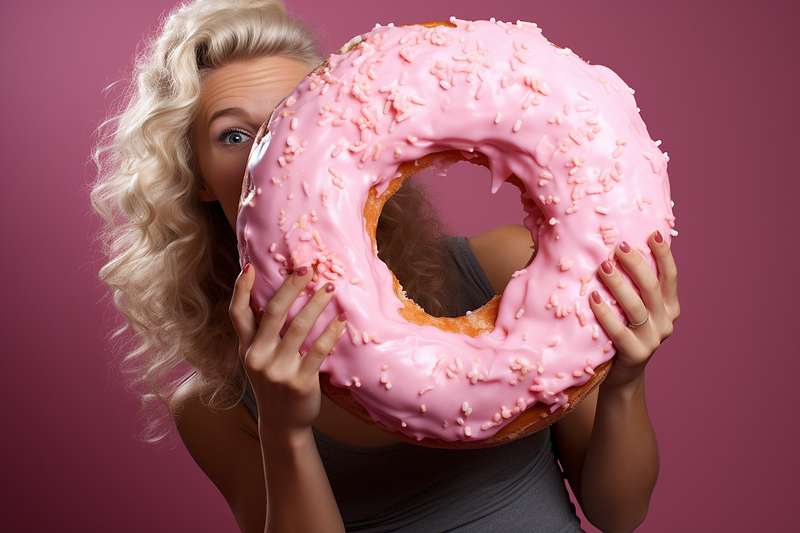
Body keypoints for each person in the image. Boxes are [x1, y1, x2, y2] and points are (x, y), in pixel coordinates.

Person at [92, 1, 680, 532]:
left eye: (291, 118)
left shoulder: (503, 268)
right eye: (235, 134)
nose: (272, 153)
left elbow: (618, 513)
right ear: (193, 175)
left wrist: (625, 379)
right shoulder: (216, 405)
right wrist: (286, 428)